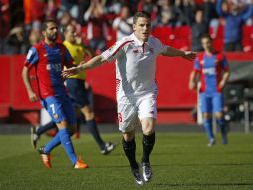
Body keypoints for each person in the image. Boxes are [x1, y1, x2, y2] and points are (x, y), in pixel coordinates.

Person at [62, 11, 196, 185]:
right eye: (141, 25)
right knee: (128, 135)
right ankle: (134, 165)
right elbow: (102, 58)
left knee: (148, 128)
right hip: (126, 97)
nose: (145, 28)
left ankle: (145, 161)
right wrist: (81, 68)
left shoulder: (154, 42)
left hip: (147, 93)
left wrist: (182, 54)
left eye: (147, 25)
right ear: (134, 27)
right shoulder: (124, 44)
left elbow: (166, 50)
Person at [31, 23, 116, 155]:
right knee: (89, 113)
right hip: (72, 83)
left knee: (70, 118)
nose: (75, 34)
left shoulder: (78, 45)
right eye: (72, 32)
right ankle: (102, 146)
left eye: (75, 32)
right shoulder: (65, 47)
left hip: (78, 82)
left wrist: (85, 46)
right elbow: (65, 67)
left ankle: (39, 132)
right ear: (65, 33)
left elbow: (93, 55)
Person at [22, 19, 88, 169]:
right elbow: (24, 70)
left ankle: (46, 149)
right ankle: (75, 161)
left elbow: (70, 66)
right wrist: (30, 90)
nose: (55, 31)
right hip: (48, 95)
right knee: (62, 125)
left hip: (63, 93)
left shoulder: (62, 48)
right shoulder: (36, 49)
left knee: (72, 129)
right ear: (44, 32)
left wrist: (79, 66)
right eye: (51, 28)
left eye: (56, 28)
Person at [189, 34, 230, 147]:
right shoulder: (200, 57)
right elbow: (195, 71)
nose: (206, 45)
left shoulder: (220, 56)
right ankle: (211, 138)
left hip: (217, 90)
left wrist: (223, 81)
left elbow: (227, 71)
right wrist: (191, 81)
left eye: (208, 42)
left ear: (211, 43)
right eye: (204, 43)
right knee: (206, 115)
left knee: (219, 115)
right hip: (204, 91)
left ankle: (223, 133)